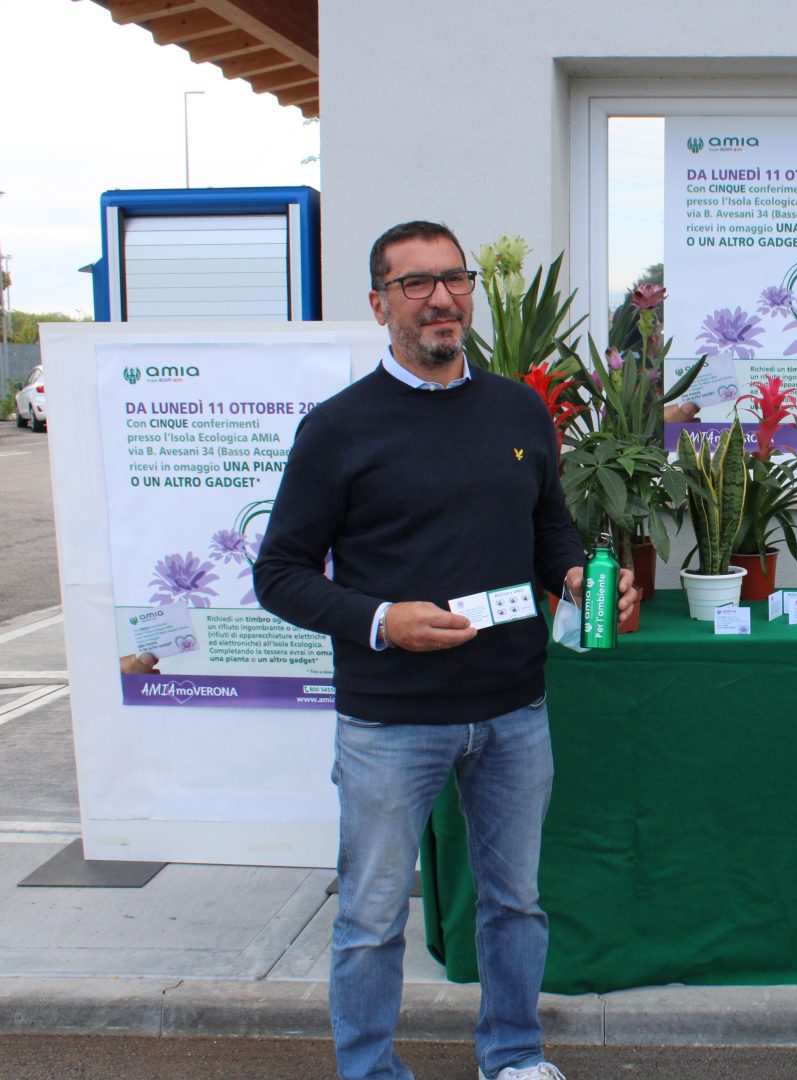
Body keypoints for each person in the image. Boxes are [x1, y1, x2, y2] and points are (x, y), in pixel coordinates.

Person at [254, 220, 634, 1080]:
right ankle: (369, 1069)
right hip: (391, 722)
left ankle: (514, 1054)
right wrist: (383, 619)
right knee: (372, 915)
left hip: (512, 709)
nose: (441, 298)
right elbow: (278, 574)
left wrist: (577, 577)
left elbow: (550, 532)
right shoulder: (338, 428)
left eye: (453, 279)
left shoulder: (517, 409)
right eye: (416, 283)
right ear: (380, 303)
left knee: (515, 905)